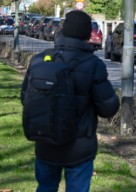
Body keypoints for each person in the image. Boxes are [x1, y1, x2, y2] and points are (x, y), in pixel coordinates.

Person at [21, 10, 120, 192]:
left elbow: (25, 98)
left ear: (63, 31)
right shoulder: (93, 65)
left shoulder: (40, 60)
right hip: (79, 147)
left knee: (45, 187)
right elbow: (108, 108)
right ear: (86, 34)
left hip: (45, 141)